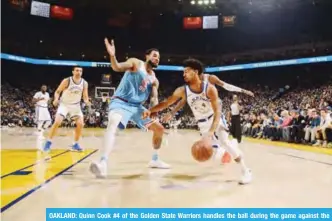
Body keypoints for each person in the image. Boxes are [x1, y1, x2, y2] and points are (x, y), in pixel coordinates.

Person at [143, 58, 252, 185]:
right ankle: (229, 147)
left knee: (224, 142)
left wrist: (211, 131)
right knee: (213, 152)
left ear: (196, 72)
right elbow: (167, 103)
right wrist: (151, 110)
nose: (183, 74)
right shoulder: (183, 90)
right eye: (183, 72)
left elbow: (217, 112)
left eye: (186, 71)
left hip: (214, 118)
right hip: (202, 123)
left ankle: (245, 170)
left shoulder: (210, 87)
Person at [89, 38, 170, 179]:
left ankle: (155, 159)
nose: (157, 59)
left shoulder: (154, 79)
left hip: (137, 107)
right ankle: (103, 163)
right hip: (121, 102)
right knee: (113, 124)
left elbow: (154, 97)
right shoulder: (136, 63)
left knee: (159, 129)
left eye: (159, 57)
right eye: (155, 55)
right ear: (147, 56)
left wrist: (152, 111)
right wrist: (112, 55)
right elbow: (117, 67)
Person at [42, 66, 91, 152]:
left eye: (80, 71)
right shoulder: (67, 80)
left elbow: (85, 96)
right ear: (73, 72)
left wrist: (87, 102)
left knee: (80, 124)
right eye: (77, 70)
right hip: (64, 104)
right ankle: (48, 143)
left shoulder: (84, 83)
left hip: (75, 106)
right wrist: (56, 99)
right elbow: (57, 92)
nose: (78, 72)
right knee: (57, 122)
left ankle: (75, 144)